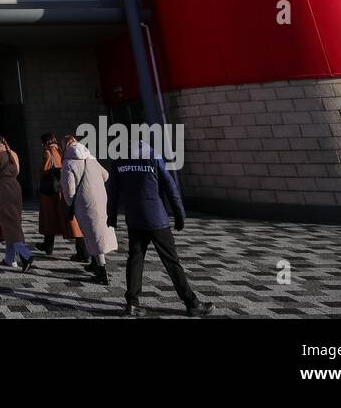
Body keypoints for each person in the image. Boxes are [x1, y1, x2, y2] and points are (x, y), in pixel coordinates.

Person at [107, 142, 214, 317]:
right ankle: (191, 303)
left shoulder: (119, 160)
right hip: (157, 219)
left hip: (134, 219)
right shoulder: (153, 157)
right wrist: (180, 215)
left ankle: (132, 304)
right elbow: (170, 187)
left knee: (135, 260)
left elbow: (113, 191)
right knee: (172, 261)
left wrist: (111, 216)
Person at [61, 134, 116, 285]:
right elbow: (106, 175)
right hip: (101, 200)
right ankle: (95, 262)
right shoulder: (91, 158)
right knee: (98, 233)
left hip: (83, 203)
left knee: (91, 234)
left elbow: (69, 189)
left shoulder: (68, 163)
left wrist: (71, 203)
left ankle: (101, 271)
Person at [0, 135, 33, 272]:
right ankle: (10, 259)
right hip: (15, 186)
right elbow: (18, 171)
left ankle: (26, 254)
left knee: (7, 221)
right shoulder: (13, 153)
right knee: (14, 221)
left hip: (3, 188)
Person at [37, 133, 83, 257]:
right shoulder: (61, 151)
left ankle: (49, 246)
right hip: (63, 189)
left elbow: (45, 170)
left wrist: (40, 172)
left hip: (50, 192)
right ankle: (80, 249)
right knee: (68, 219)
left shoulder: (48, 152)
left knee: (50, 218)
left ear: (45, 142)